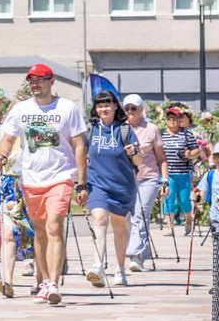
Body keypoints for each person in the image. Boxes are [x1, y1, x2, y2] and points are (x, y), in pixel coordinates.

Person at [0, 64, 86, 307]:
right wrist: (1, 157)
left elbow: (79, 145)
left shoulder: (67, 108)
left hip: (61, 176)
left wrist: (81, 181)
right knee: (40, 231)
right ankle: (45, 281)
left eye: (40, 80)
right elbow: (7, 139)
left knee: (54, 224)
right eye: (31, 80)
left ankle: (54, 283)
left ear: (51, 81)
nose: (35, 84)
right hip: (31, 178)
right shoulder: (21, 109)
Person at [82, 89, 139, 287]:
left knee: (120, 227)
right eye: (99, 105)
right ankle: (98, 265)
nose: (103, 108)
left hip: (122, 186)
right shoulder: (90, 130)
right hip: (97, 183)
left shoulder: (124, 130)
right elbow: (80, 155)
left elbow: (140, 160)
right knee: (99, 219)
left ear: (115, 106)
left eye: (107, 104)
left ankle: (120, 269)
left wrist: (134, 152)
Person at [121, 94, 163, 270]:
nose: (130, 112)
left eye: (134, 108)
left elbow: (161, 157)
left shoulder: (151, 128)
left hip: (149, 177)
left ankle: (135, 255)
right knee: (127, 219)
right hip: (125, 179)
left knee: (140, 215)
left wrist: (165, 179)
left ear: (141, 109)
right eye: (127, 108)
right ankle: (142, 249)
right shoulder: (120, 128)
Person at [159, 104, 205, 228]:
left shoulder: (186, 133)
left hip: (183, 172)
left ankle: (188, 219)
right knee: (168, 198)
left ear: (180, 119)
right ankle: (170, 225)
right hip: (167, 172)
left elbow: (197, 150)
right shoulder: (161, 134)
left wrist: (189, 154)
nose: (172, 121)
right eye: (169, 118)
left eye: (175, 118)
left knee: (184, 200)